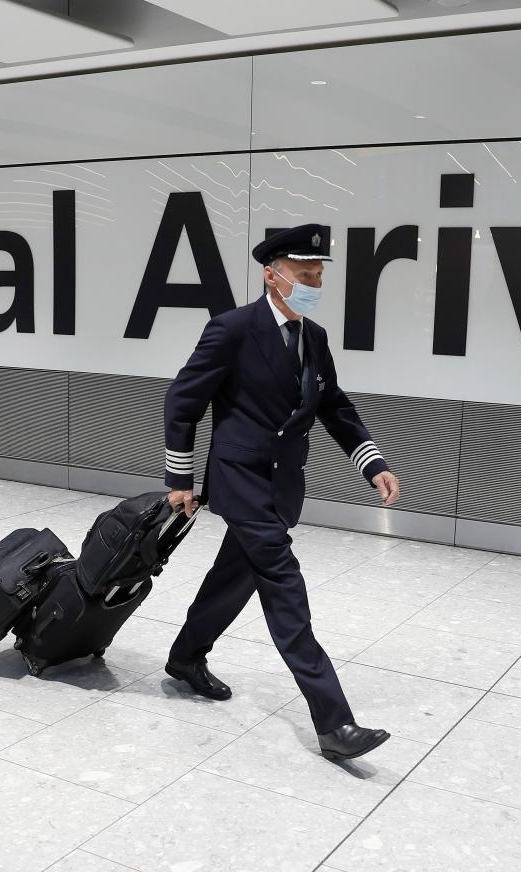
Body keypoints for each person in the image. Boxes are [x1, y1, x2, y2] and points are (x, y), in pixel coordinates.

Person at [161, 223, 401, 762]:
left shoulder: (312, 337)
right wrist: (180, 479)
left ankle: (185, 657)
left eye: (318, 272)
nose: (314, 280)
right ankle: (334, 724)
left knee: (234, 576)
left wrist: (372, 463)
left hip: (283, 484)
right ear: (273, 276)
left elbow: (334, 407)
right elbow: (183, 401)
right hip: (240, 478)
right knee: (283, 586)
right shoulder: (232, 329)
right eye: (304, 272)